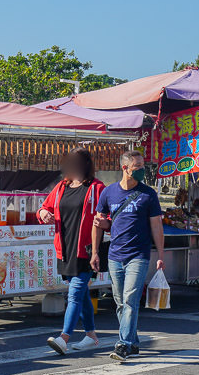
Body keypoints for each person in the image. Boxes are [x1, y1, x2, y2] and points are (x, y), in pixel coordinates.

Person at [92, 151, 165, 362]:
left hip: (138, 255)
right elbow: (98, 223)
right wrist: (95, 252)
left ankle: (123, 344)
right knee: (120, 303)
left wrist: (160, 254)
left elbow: (156, 225)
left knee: (130, 300)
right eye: (137, 166)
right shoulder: (108, 193)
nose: (142, 169)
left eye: (143, 165)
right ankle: (133, 343)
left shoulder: (148, 194)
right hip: (115, 255)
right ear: (125, 168)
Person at [38, 148, 105, 354]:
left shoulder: (97, 188)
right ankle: (91, 335)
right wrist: (43, 214)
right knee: (82, 292)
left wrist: (105, 223)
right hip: (65, 248)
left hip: (86, 249)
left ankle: (64, 337)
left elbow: (108, 215)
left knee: (75, 293)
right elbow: (44, 208)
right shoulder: (61, 187)